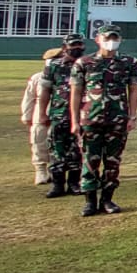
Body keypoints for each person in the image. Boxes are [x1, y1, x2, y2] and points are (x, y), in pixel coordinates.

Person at [68, 25, 137, 216]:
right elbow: (75, 93)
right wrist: (75, 120)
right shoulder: (84, 63)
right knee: (90, 161)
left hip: (117, 120)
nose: (111, 41)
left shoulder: (129, 63)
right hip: (90, 119)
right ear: (98, 39)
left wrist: (132, 116)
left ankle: (107, 200)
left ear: (120, 40)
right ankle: (90, 202)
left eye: (115, 38)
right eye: (108, 37)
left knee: (112, 162)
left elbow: (133, 91)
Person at [38, 36, 84, 197]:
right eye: (73, 45)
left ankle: (74, 183)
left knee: (77, 151)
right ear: (64, 47)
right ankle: (57, 185)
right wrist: (42, 113)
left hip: (80, 115)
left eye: (80, 44)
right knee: (56, 150)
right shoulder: (54, 67)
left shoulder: (87, 65)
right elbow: (45, 91)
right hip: (58, 114)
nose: (77, 48)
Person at [23, 47, 63, 187]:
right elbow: (29, 98)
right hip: (40, 114)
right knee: (39, 142)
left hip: (60, 114)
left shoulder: (66, 76)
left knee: (57, 143)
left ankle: (54, 170)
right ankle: (40, 170)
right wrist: (26, 115)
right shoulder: (37, 78)